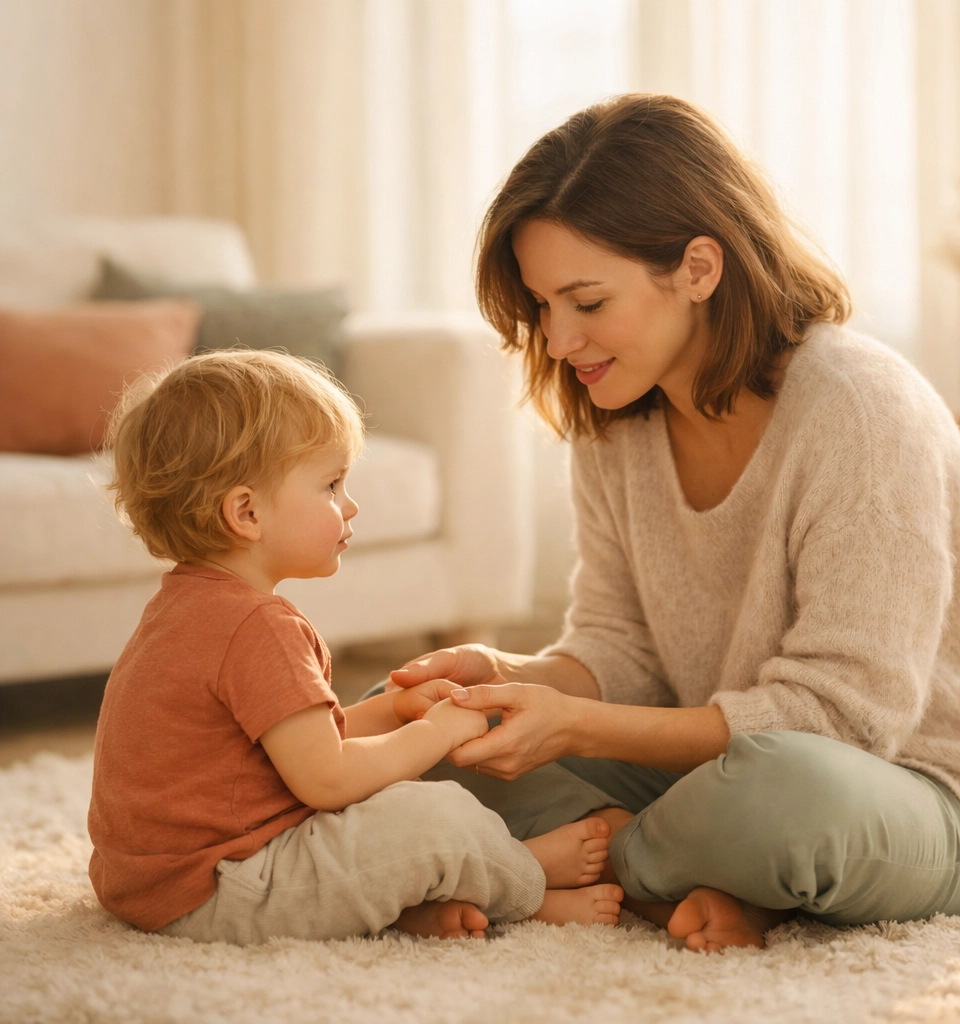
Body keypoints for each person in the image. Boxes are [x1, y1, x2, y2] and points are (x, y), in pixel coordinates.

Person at [388, 94, 960, 952]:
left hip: (925, 785)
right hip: (717, 766)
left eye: (586, 301)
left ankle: (580, 860)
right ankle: (692, 871)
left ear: (697, 269)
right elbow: (622, 648)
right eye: (542, 305)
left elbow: (842, 721)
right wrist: (507, 677)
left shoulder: (862, 409)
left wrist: (578, 729)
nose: (560, 338)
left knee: (781, 794)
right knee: (422, 737)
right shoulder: (612, 415)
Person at [87, 349, 622, 945]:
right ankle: (529, 885)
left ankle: (411, 906)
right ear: (246, 512)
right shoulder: (257, 626)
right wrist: (435, 733)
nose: (351, 505)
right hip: (222, 888)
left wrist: (393, 712)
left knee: (389, 784)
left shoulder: (186, 607)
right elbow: (328, 781)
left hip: (155, 885)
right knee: (430, 814)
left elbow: (290, 748)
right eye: (332, 484)